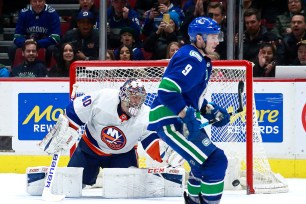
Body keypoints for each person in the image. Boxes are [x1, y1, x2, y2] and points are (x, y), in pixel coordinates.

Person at [147, 17, 230, 204]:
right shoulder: (191, 57)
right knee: (215, 161)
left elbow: (188, 94)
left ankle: (194, 200)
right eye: (213, 37)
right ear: (199, 38)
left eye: (218, 37)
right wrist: (186, 114)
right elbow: (167, 90)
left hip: (178, 118)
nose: (217, 42)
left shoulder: (201, 60)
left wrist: (210, 110)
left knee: (200, 164)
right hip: (171, 119)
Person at [61, 79, 164, 186]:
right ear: (124, 96)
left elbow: (153, 144)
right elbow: (73, 112)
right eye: (134, 97)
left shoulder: (145, 115)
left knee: (125, 191)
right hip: (89, 149)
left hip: (123, 156)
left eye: (139, 98)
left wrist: (166, 154)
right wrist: (64, 130)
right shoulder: (103, 98)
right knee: (71, 185)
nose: (136, 102)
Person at [8, 0, 61, 66]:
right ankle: (15, 70)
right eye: (34, 1)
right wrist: (26, 42)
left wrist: (37, 43)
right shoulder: (23, 13)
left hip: (46, 43)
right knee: (12, 48)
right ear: (30, 2)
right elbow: (17, 37)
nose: (37, 4)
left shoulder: (52, 13)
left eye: (40, 1)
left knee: (53, 48)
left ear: (44, 1)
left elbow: (56, 38)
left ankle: (48, 70)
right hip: (27, 42)